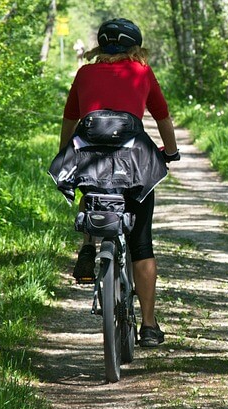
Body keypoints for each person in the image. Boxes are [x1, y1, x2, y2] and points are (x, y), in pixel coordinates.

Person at [58, 18, 180, 347]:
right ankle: (150, 326)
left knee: (91, 184)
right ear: (134, 47)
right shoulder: (141, 72)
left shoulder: (84, 73)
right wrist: (171, 153)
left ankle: (88, 244)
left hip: (90, 157)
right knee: (141, 243)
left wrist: (64, 154)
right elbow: (162, 117)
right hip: (134, 161)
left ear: (100, 46)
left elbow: (70, 120)